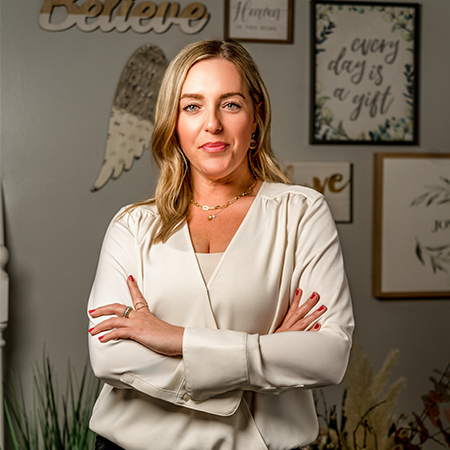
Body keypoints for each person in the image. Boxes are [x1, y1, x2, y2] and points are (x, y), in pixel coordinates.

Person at [87, 39, 354, 450]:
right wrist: (265, 353)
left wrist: (173, 339)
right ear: (173, 122)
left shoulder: (300, 212)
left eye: (230, 104)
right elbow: (109, 358)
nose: (212, 123)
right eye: (192, 106)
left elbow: (329, 355)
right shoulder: (133, 225)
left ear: (256, 114)